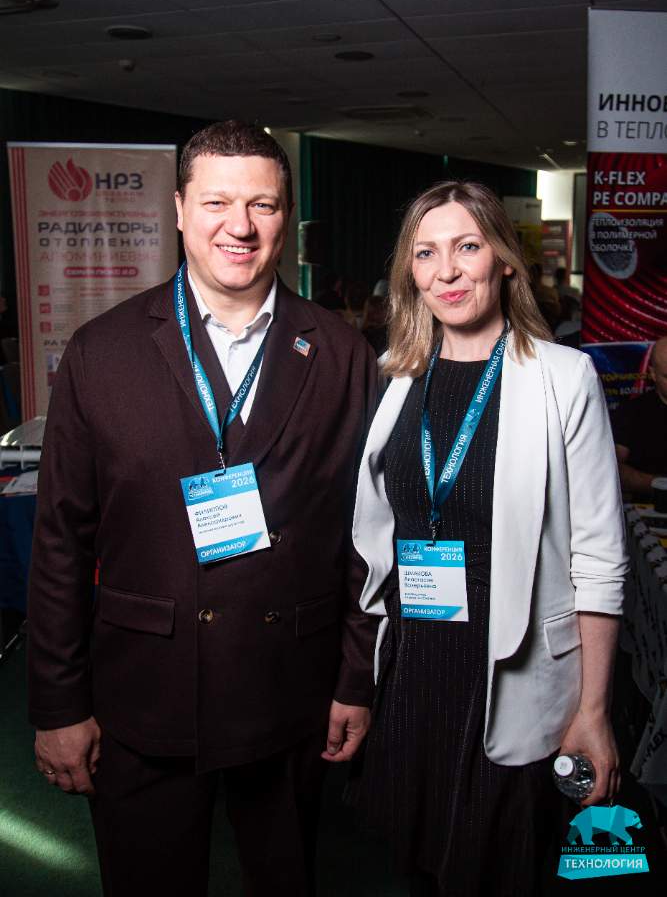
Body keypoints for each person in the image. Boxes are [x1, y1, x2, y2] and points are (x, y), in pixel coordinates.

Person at [27, 121, 379, 897]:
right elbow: (59, 543)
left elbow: (366, 538)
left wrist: (355, 679)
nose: (239, 226)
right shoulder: (101, 351)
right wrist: (58, 703)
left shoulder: (341, 353)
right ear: (181, 209)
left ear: (286, 217)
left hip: (290, 689)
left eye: (262, 205)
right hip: (144, 693)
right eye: (217, 202)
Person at [347, 181, 627, 896]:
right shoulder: (396, 379)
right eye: (425, 253)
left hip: (511, 674)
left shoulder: (563, 377)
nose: (445, 271)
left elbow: (599, 558)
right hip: (413, 670)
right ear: (409, 272)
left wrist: (594, 712)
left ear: (503, 259)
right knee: (417, 868)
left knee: (496, 869)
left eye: (466, 247)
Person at [612, 336, 667, 500]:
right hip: (650, 506)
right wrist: (657, 484)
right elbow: (612, 467)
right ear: (653, 374)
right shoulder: (631, 412)